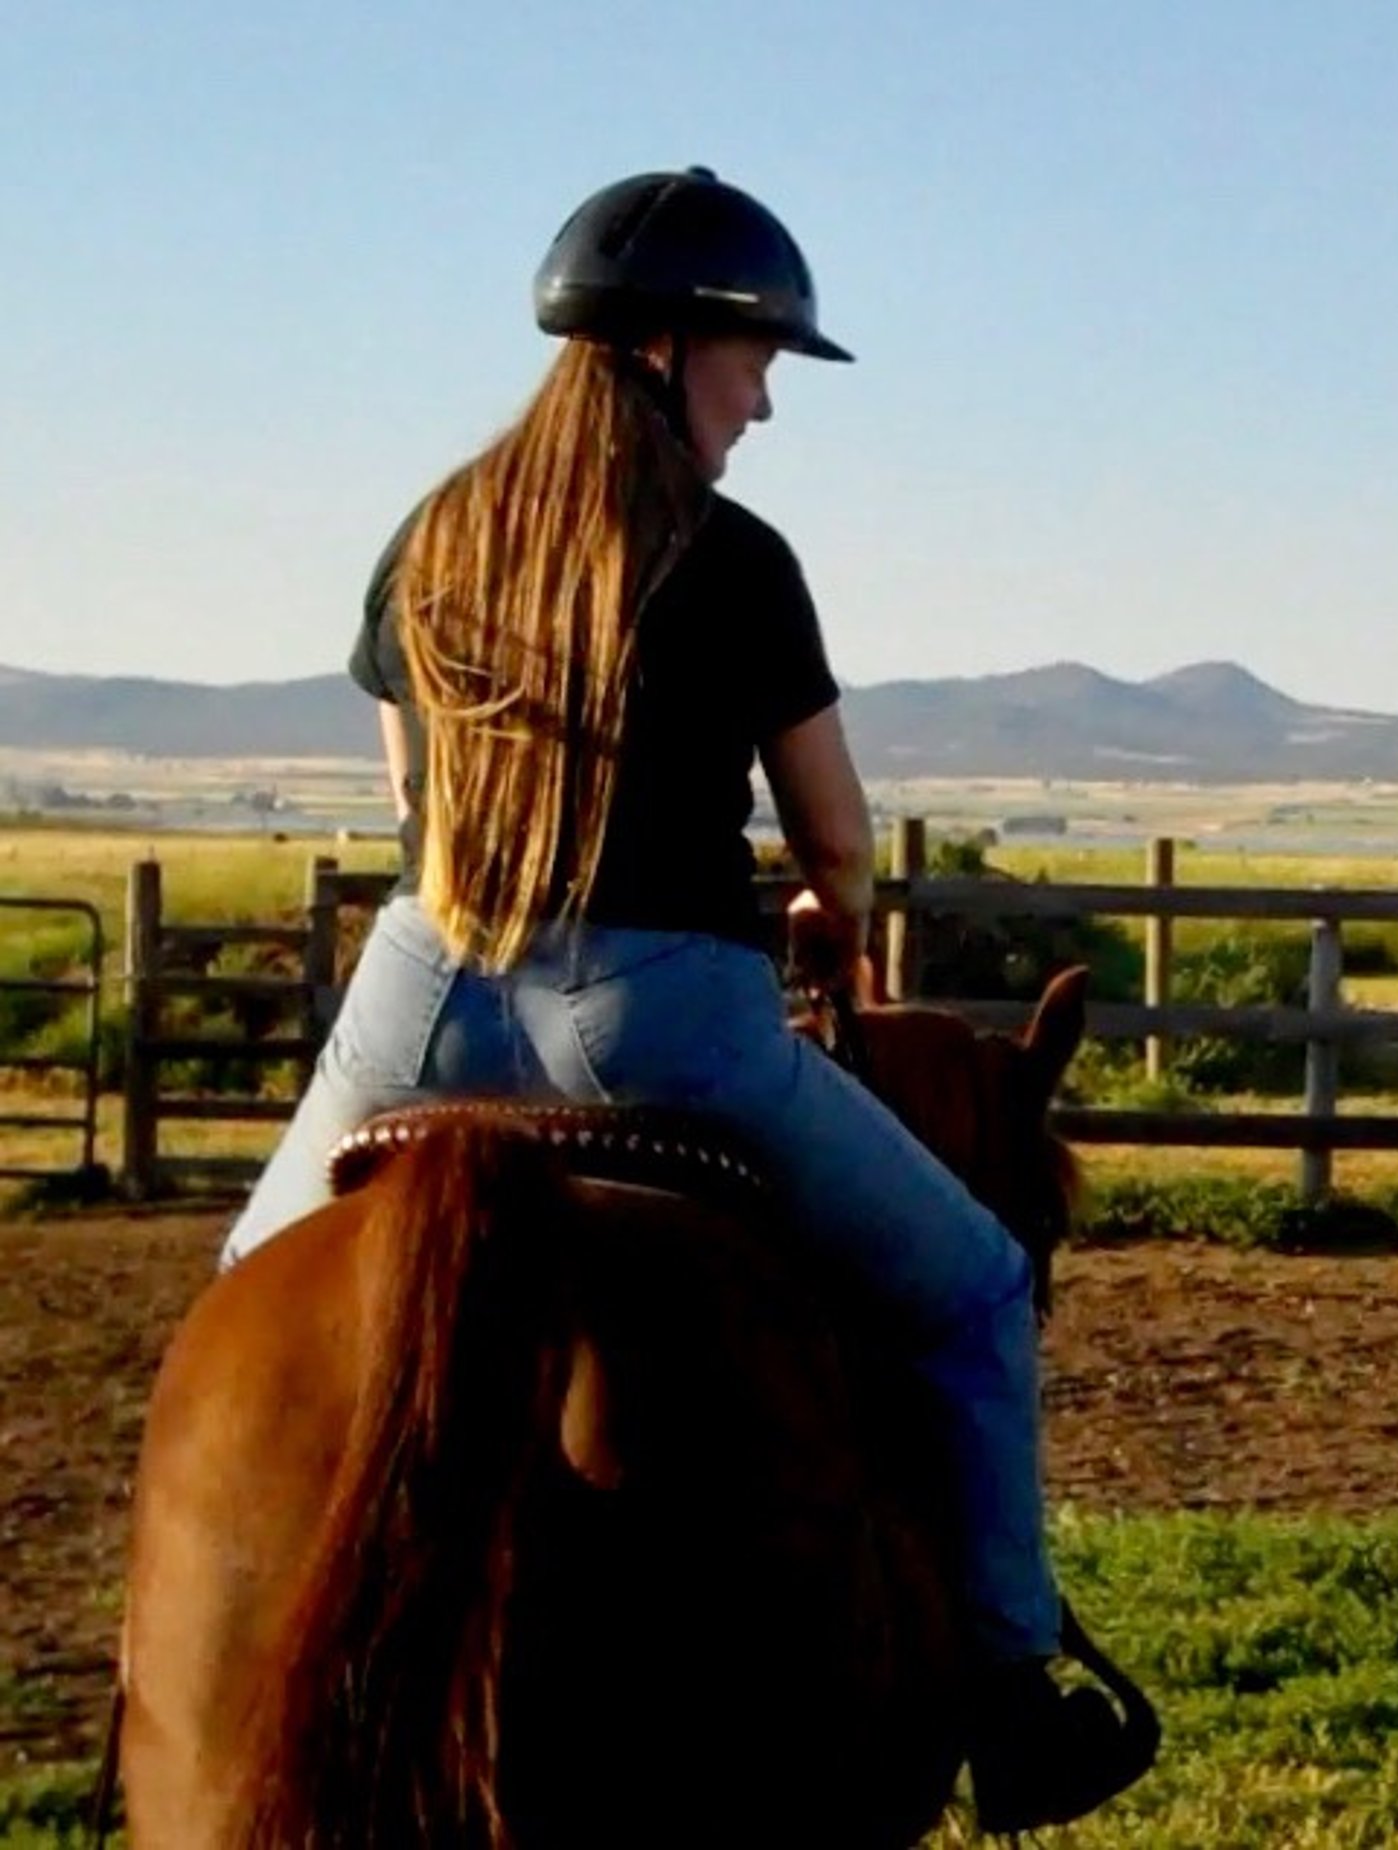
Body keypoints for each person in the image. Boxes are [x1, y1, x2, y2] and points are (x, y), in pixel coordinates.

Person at [217, 166, 1153, 1828]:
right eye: (753, 358)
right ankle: (1017, 1687)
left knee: (242, 1301)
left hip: (421, 994)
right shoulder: (733, 557)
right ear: (660, 347)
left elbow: (414, 799)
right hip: (662, 1015)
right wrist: (834, 917)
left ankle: (170, 1667)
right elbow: (837, 835)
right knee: (975, 1287)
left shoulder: (432, 537)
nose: (764, 401)